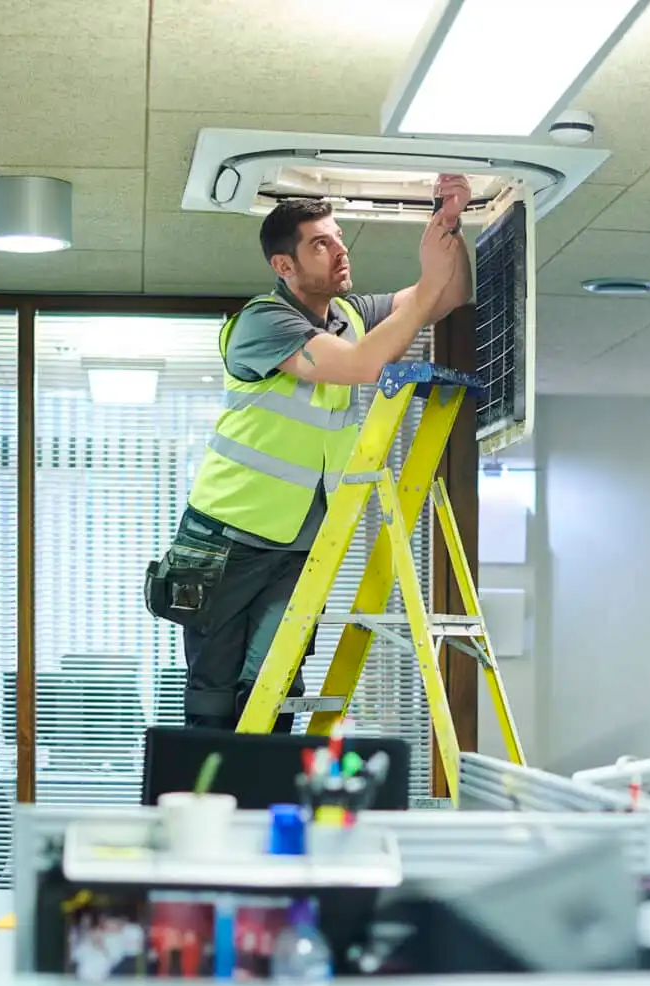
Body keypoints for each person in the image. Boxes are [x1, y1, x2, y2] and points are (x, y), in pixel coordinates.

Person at [148, 176, 475, 731]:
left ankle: (265, 806)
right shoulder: (261, 322)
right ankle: (206, 807)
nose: (340, 248)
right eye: (320, 243)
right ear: (285, 266)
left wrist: (446, 226)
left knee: (276, 683)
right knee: (216, 689)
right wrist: (420, 295)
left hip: (301, 541)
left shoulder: (349, 316)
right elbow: (360, 365)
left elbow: (447, 295)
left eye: (339, 236)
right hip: (227, 535)